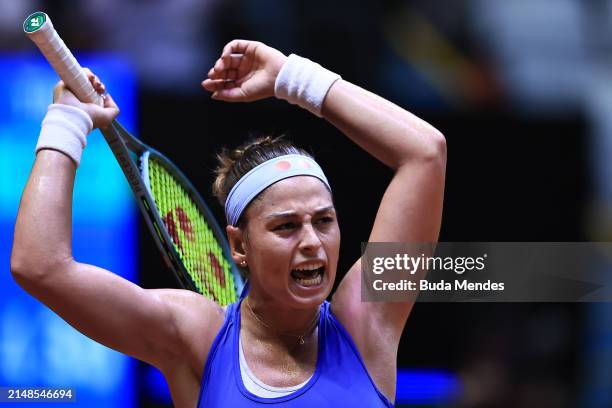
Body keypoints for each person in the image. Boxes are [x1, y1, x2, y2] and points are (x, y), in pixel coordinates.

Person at [11, 39, 446, 407]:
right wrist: (66, 122)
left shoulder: (365, 322)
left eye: (324, 221)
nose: (312, 241)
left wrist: (291, 79)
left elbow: (426, 152)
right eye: (286, 227)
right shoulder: (197, 336)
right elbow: (39, 265)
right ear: (239, 246)